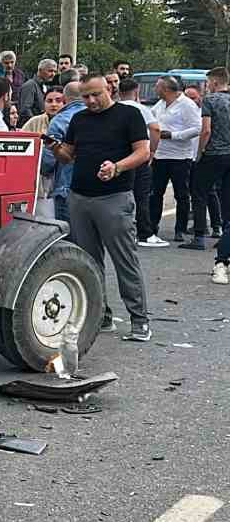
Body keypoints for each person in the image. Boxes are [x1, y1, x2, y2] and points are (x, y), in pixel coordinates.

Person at [53, 72, 153, 341]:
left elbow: (143, 152)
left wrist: (117, 167)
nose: (91, 100)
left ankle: (139, 320)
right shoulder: (79, 118)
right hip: (79, 197)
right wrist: (54, 146)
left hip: (115, 198)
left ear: (109, 88)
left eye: (96, 94)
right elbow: (67, 157)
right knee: (89, 262)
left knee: (125, 260)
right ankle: (101, 315)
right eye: (86, 96)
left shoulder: (129, 115)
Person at [150, 75, 202, 245]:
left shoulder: (186, 104)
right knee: (156, 192)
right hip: (160, 154)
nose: (154, 89)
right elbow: (152, 119)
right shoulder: (160, 104)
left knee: (181, 194)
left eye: (157, 86)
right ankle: (152, 226)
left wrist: (173, 135)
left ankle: (180, 228)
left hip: (180, 156)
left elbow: (197, 128)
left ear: (166, 89)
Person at [117, 79, 165, 246]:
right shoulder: (141, 109)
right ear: (137, 91)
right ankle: (145, 232)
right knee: (141, 195)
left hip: (119, 157)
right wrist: (151, 151)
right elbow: (155, 129)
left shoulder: (115, 108)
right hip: (138, 156)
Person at [197, 69, 230, 277]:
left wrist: (200, 151)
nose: (206, 85)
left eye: (208, 82)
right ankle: (224, 234)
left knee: (200, 193)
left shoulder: (210, 101)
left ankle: (199, 235)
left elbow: (206, 129)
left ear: (215, 82)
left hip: (214, 154)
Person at [44, 79, 87, 222]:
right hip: (96, 189)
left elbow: (47, 162)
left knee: (69, 238)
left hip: (66, 187)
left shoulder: (59, 120)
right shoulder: (97, 117)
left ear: (64, 98)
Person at [24, 88, 65, 202]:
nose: (54, 104)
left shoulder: (70, 121)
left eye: (58, 100)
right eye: (49, 101)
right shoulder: (34, 122)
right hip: (39, 183)